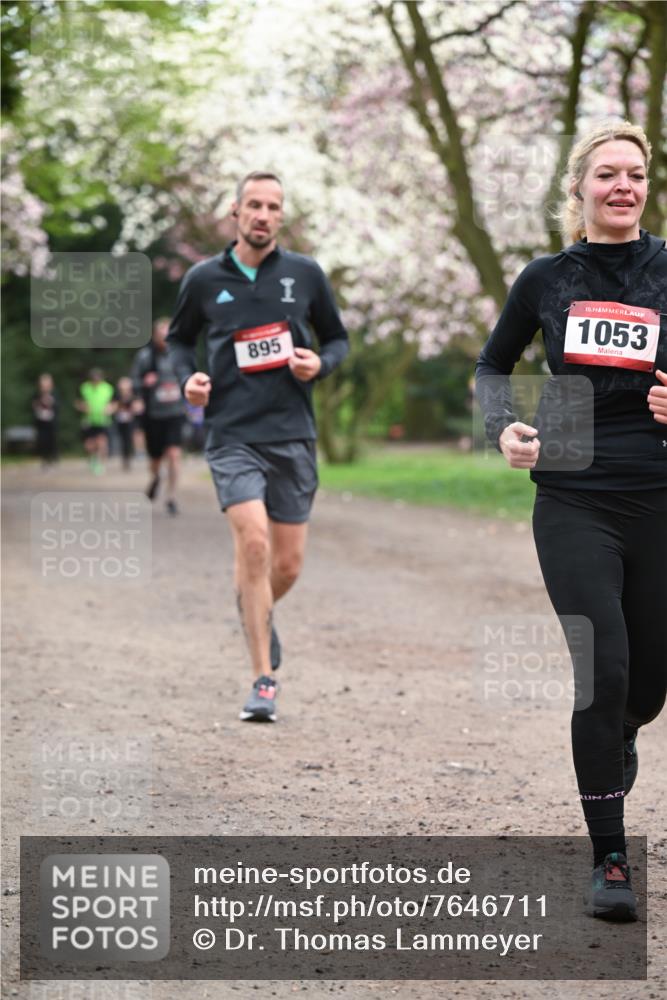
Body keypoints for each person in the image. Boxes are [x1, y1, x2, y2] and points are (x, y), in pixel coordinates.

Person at [475, 121, 666, 922]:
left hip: (659, 491)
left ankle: (620, 728)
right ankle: (611, 860)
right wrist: (504, 428)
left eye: (635, 174)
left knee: (646, 689)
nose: (621, 186)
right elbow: (492, 366)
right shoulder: (546, 278)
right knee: (604, 669)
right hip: (573, 492)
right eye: (606, 175)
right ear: (579, 189)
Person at [166, 171, 349, 722]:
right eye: (254, 205)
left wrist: (320, 363)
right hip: (231, 434)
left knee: (287, 566)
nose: (263, 214)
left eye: (273, 206)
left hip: (292, 434)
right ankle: (261, 681)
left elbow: (337, 338)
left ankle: (253, 606)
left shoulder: (305, 274)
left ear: (280, 216)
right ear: (235, 211)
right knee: (253, 545)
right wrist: (188, 380)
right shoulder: (202, 279)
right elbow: (179, 340)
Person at [131, 318, 186, 515]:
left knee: (174, 454)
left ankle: (171, 497)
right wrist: (143, 384)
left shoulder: (179, 355)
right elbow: (134, 382)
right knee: (155, 459)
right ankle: (156, 477)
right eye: (160, 334)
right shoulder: (145, 357)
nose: (164, 338)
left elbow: (190, 376)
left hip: (175, 412)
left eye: (167, 334)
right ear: (154, 336)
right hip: (154, 414)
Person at [75, 368, 114, 474]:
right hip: (88, 420)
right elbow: (77, 402)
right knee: (89, 444)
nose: (96, 381)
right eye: (94, 379)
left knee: (102, 443)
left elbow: (114, 403)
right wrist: (83, 407)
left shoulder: (108, 388)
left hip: (103, 420)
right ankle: (92, 459)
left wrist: (110, 408)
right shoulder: (84, 388)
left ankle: (101, 464)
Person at [112, 376, 138, 471]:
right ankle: (124, 458)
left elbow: (137, 408)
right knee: (123, 441)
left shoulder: (133, 396)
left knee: (129, 440)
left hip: (130, 421)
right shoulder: (117, 396)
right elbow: (113, 407)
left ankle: (129, 458)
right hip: (120, 421)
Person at [32, 373, 58, 468]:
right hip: (40, 421)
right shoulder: (37, 394)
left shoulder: (54, 394)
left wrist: (50, 402)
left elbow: (57, 406)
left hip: (51, 421)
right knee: (42, 440)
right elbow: (33, 405)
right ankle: (44, 458)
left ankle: (52, 458)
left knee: (51, 441)